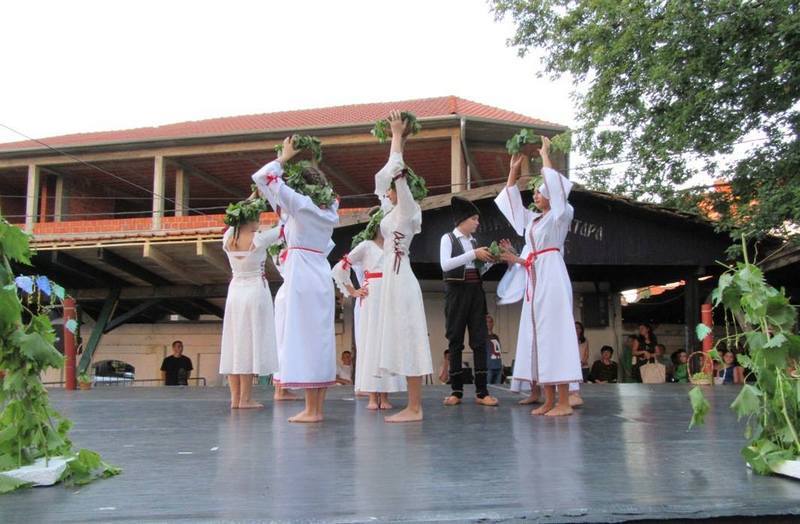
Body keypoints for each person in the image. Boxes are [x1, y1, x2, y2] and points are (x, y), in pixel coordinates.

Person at [252, 136, 340, 423]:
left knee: (304, 340)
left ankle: (312, 410)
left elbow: (263, 177)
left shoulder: (299, 204)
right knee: (320, 340)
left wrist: (284, 156)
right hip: (320, 272)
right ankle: (317, 407)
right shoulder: (329, 210)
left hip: (302, 273)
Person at [495, 136, 583, 416]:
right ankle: (547, 398)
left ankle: (565, 401)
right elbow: (511, 206)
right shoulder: (534, 220)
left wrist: (546, 158)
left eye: (539, 192)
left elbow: (559, 192)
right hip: (536, 275)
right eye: (534, 193)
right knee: (538, 332)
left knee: (554, 331)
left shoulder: (562, 214)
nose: (535, 195)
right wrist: (513, 173)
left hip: (552, 273)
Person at [371, 110, 433, 423]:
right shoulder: (391, 211)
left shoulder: (408, 209)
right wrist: (401, 140)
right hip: (393, 279)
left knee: (410, 337)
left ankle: (416, 407)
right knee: (401, 335)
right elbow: (385, 178)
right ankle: (411, 405)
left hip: (402, 278)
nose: (388, 192)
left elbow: (396, 175)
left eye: (393, 188)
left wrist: (396, 136)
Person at [332, 222, 406, 409]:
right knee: (371, 343)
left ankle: (386, 395)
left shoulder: (393, 247)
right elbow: (341, 267)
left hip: (389, 295)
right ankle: (373, 396)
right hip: (371, 296)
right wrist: (353, 290)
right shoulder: (365, 246)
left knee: (387, 343)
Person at [219, 202, 280, 408]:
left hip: (235, 290)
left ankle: (235, 399)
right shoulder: (259, 238)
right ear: (250, 219)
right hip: (254, 290)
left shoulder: (229, 237)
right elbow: (284, 228)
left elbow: (238, 213)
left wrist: (252, 197)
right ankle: (245, 398)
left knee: (234, 342)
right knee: (247, 343)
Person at [440, 196, 499, 406]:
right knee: (455, 340)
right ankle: (456, 391)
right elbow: (446, 265)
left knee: (480, 340)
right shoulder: (448, 238)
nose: (477, 223)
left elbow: (477, 269)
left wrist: (493, 259)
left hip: (476, 291)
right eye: (474, 219)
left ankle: (482, 392)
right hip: (456, 292)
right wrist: (473, 253)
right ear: (463, 219)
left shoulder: (474, 241)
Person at [486, 315, 504, 385]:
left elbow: (498, 351)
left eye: (490, 322)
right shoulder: (482, 337)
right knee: (488, 388)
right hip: (488, 367)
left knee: (498, 389)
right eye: (487, 322)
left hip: (498, 367)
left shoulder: (496, 337)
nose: (489, 324)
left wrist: (501, 364)